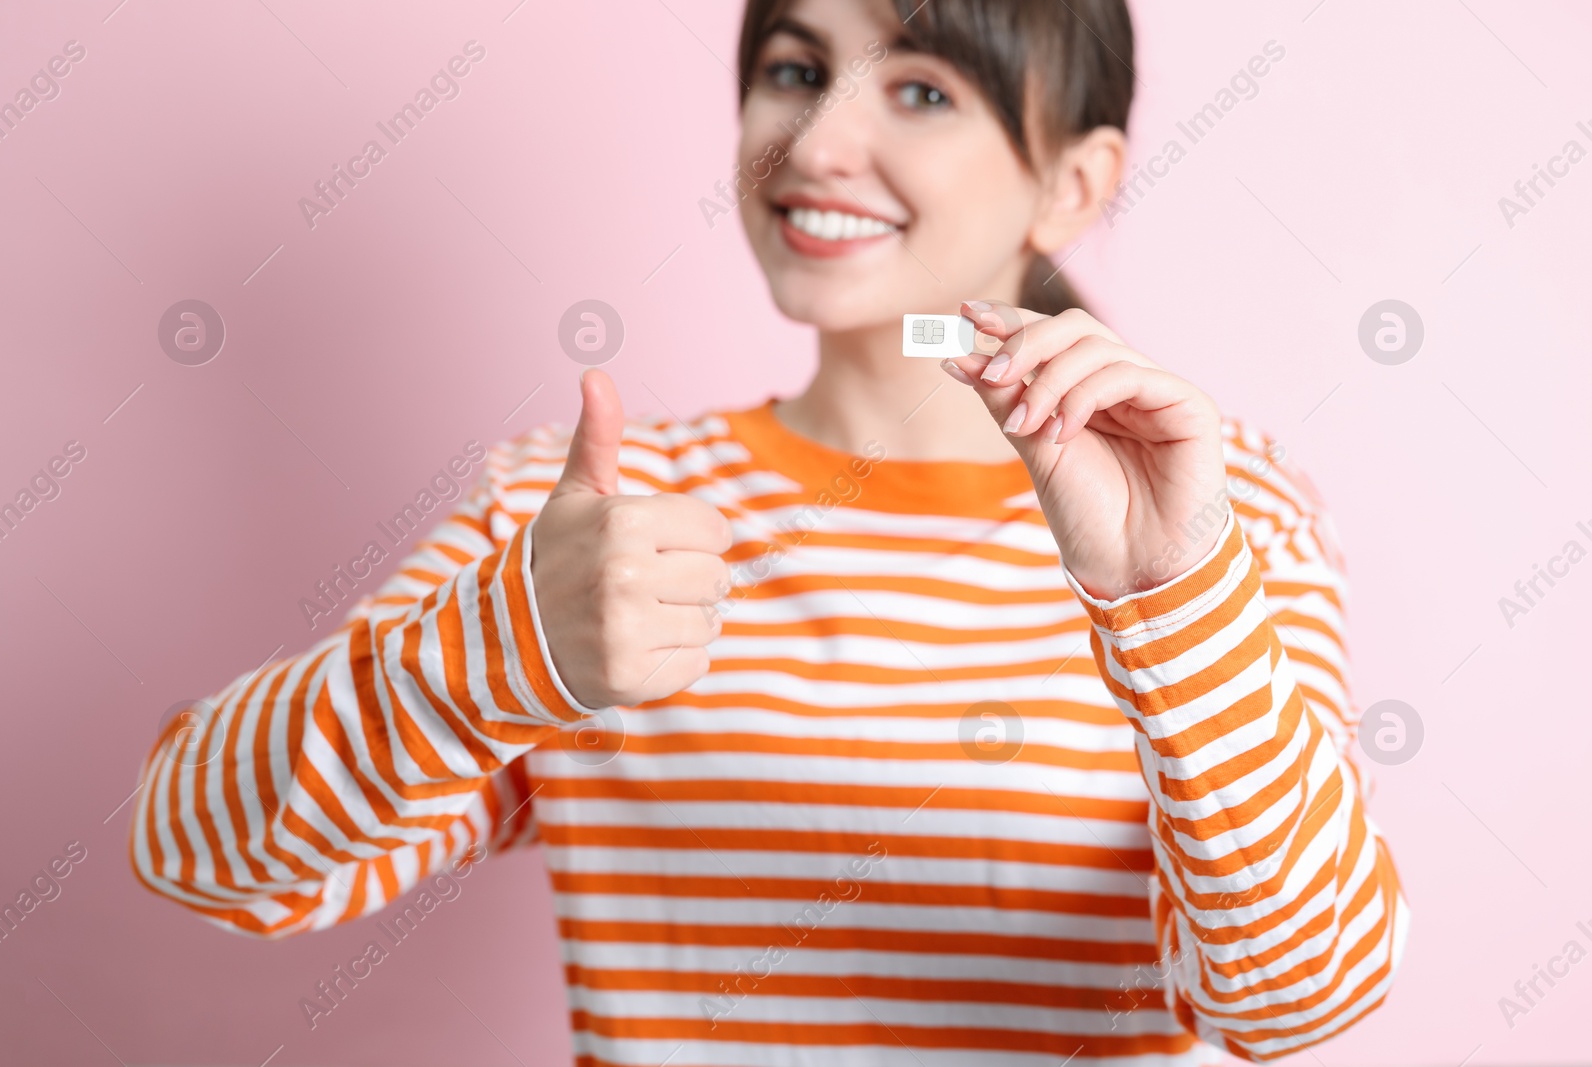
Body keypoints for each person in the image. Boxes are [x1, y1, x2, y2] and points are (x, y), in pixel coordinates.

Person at [128, 0, 1409, 1062]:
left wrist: (1171, 605)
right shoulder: (578, 517)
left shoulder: (1219, 512)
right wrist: (490, 654)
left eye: (921, 90)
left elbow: (1299, 998)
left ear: (1073, 184)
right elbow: (195, 852)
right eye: (795, 70)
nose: (815, 141)